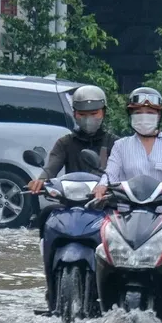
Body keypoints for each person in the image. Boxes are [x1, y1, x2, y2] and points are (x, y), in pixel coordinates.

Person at [92, 87, 162, 323]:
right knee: (100, 248)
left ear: (159, 115)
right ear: (130, 115)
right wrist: (100, 187)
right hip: (128, 214)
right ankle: (97, 302)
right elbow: (110, 173)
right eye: (138, 111)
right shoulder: (121, 146)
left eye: (150, 111)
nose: (144, 116)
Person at [27, 85, 118, 237]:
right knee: (46, 215)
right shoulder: (65, 143)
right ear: (75, 114)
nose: (88, 119)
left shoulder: (115, 143)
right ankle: (49, 256)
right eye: (82, 114)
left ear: (104, 112)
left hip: (104, 204)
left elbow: (123, 172)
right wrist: (41, 180)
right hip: (71, 205)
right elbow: (51, 167)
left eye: (94, 113)